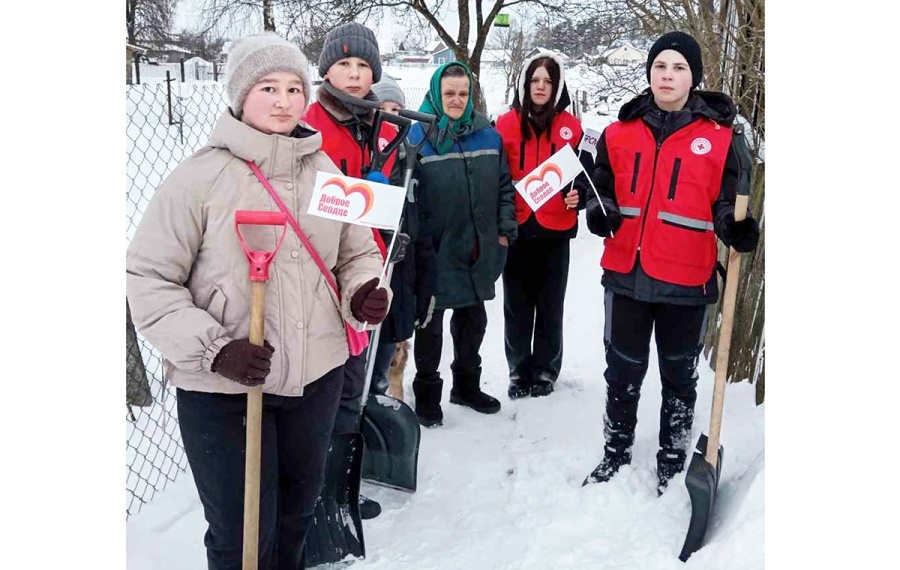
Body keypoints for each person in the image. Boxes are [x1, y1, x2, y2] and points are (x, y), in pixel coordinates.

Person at [125, 32, 390, 569]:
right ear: (241, 94)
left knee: (295, 516)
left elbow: (355, 252)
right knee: (241, 535)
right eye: (268, 87)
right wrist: (214, 349)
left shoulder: (323, 171)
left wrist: (361, 290)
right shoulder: (199, 178)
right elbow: (148, 278)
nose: (284, 100)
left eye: (295, 87)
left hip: (315, 377)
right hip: (224, 389)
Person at [580, 31, 760, 495]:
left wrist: (734, 228)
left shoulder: (722, 140)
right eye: (661, 66)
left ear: (693, 77)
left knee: (679, 375)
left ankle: (673, 455)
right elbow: (603, 185)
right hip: (625, 275)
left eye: (679, 68)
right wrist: (600, 212)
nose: (668, 75)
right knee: (621, 369)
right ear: (649, 73)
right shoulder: (618, 133)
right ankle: (615, 451)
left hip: (687, 278)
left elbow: (727, 202)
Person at [301, 21, 403, 521]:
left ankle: (339, 485)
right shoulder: (309, 123)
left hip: (368, 268)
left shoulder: (380, 126)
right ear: (326, 70)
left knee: (355, 380)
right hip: (319, 272)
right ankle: (313, 488)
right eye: (344, 64)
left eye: (364, 66)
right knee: (327, 384)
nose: (355, 74)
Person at [409, 61, 518, 427]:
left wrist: (504, 230)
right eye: (449, 94)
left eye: (462, 94)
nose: (456, 100)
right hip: (436, 251)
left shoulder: (488, 135)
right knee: (431, 325)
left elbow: (505, 187)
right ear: (436, 95)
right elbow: (408, 198)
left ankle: (466, 387)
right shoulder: (417, 138)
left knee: (474, 321)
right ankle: (426, 395)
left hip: (477, 249)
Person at [494, 50, 588, 400]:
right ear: (525, 83)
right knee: (516, 307)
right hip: (517, 228)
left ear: (557, 86)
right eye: (535, 79)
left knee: (550, 306)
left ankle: (546, 372)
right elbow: (496, 175)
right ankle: (518, 372)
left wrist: (577, 194)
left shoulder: (572, 129)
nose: (541, 86)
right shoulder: (504, 125)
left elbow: (586, 177)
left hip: (554, 231)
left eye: (548, 81)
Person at [368, 73, 437, 399]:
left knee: (384, 366)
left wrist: (424, 291)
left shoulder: (414, 169)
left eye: (398, 109)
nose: (392, 117)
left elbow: (423, 237)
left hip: (400, 280)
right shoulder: (363, 163)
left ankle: (381, 429)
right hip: (366, 279)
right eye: (384, 109)